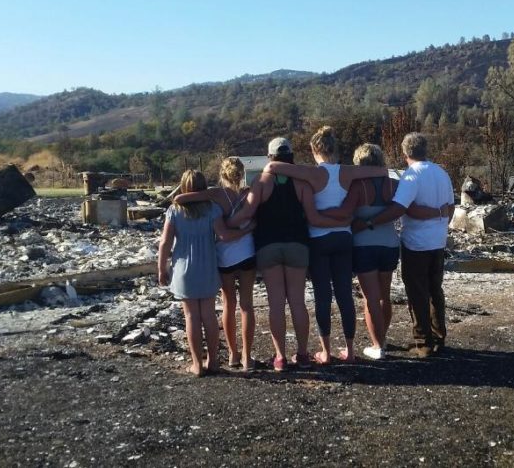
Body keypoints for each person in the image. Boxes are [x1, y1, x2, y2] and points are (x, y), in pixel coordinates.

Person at [263, 127, 385, 364]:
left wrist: (323, 214)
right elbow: (381, 170)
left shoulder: (311, 173)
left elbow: (271, 167)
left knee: (322, 295)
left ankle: (325, 352)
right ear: (335, 149)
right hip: (344, 238)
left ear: (313, 149)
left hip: (319, 239)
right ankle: (350, 351)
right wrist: (342, 216)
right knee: (345, 295)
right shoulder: (347, 172)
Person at [229, 137, 350, 371]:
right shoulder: (302, 183)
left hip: (268, 247)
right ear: (291, 156)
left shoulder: (262, 182)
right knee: (297, 301)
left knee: (276, 303)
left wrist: (223, 224)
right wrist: (343, 219)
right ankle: (303, 354)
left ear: (270, 157)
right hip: (298, 246)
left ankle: (280, 357)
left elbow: (245, 214)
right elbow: (313, 217)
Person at [323, 143, 451, 360]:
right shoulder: (394, 184)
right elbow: (405, 209)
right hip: (390, 245)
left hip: (364, 246)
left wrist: (320, 214)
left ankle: (377, 345)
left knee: (370, 299)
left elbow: (345, 212)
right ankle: (382, 339)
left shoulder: (357, 187)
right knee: (384, 297)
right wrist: (438, 213)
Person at [355, 133, 454, 358]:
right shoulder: (441, 172)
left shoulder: (411, 176)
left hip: (416, 242)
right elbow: (451, 206)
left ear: (405, 152)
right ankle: (439, 337)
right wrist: (441, 223)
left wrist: (368, 222)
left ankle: (423, 342)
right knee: (435, 290)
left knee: (417, 292)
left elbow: (399, 209)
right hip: (438, 241)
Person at [158, 170, 255, 377]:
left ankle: (197, 364)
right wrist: (247, 230)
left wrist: (161, 268)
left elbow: (165, 242)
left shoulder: (174, 211)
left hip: (184, 270)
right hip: (209, 267)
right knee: (209, 316)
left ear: (183, 187)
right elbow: (225, 235)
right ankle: (213, 362)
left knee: (191, 316)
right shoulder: (212, 210)